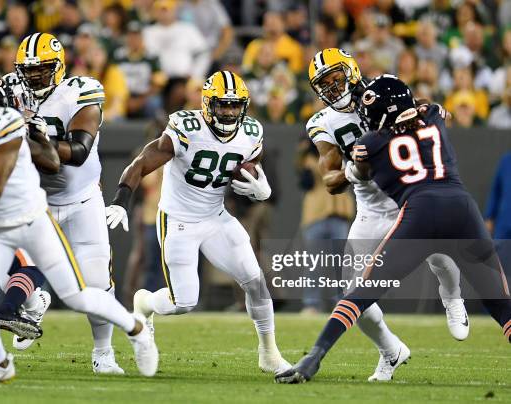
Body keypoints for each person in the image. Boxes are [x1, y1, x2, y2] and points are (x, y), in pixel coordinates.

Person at [0, 64, 158, 385]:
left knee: (78, 295)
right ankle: (0, 366)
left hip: (30, 221)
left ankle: (135, 329)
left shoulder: (5, 122)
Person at [276, 76, 511, 384]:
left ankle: (314, 356)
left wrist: (354, 166)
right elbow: (435, 110)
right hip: (461, 208)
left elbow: (357, 166)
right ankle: (392, 348)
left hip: (417, 213)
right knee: (502, 305)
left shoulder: (368, 145)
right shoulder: (433, 116)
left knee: (360, 293)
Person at [106, 70, 291, 374]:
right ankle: (144, 304)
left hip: (216, 216)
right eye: (222, 105)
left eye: (235, 105)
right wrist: (122, 199)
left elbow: (250, 166)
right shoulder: (186, 127)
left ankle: (269, 353)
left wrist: (262, 186)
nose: (229, 112)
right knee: (183, 302)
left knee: (255, 281)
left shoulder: (250, 131)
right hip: (178, 219)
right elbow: (143, 161)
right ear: (207, 104)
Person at [303, 48, 468, 381]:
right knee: (350, 294)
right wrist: (352, 172)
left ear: (350, 70)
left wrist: (430, 111)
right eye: (325, 84)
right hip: (371, 210)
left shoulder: (380, 91)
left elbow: (429, 111)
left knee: (439, 256)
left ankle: (452, 298)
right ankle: (391, 351)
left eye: (336, 78)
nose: (333, 89)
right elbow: (329, 179)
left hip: (410, 194)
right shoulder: (322, 122)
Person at [11, 32, 126, 374]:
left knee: (95, 282)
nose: (33, 77)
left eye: (41, 69)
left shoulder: (80, 91)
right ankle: (35, 302)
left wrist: (31, 136)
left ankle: (103, 353)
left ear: (59, 67)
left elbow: (76, 153)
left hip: (81, 200)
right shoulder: (9, 91)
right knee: (1, 262)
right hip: (34, 200)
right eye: (27, 70)